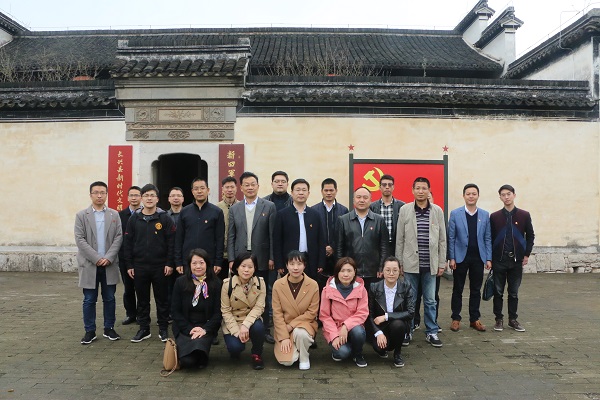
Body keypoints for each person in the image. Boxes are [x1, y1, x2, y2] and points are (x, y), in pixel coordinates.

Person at [396, 177, 446, 347]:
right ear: (413, 190)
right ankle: (408, 330)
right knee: (410, 299)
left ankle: (431, 331)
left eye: (424, 188)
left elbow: (442, 240)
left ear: (429, 190)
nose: (420, 191)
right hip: (410, 264)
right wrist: (399, 263)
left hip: (430, 264)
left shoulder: (437, 211)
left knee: (430, 300)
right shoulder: (405, 210)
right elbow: (400, 239)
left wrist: (441, 263)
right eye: (417, 188)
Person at [227, 172, 277, 344]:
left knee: (264, 292)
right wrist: (231, 258)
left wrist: (272, 257)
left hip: (262, 257)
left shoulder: (268, 206)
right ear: (241, 188)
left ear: (258, 186)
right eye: (246, 185)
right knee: (239, 293)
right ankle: (239, 326)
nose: (250, 187)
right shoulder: (235, 208)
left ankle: (265, 329)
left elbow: (272, 234)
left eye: (253, 184)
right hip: (241, 258)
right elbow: (231, 236)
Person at [124, 184, 176, 343]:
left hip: (160, 266)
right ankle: (144, 328)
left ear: (157, 199)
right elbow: (128, 243)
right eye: (146, 195)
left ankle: (163, 328)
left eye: (152, 195)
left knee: (162, 299)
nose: (149, 198)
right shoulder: (134, 219)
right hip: (139, 266)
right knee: (142, 299)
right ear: (141, 198)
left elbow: (171, 243)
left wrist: (169, 263)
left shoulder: (164, 218)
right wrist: (129, 265)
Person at [75, 181, 123, 344]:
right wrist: (96, 258)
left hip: (109, 264)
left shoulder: (114, 215)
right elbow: (80, 239)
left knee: (109, 298)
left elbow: (118, 237)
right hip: (90, 264)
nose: (99, 195)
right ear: (90, 195)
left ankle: (109, 328)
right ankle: (90, 331)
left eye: (102, 192)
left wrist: (108, 257)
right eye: (96, 192)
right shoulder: (82, 215)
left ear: (107, 194)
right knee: (89, 299)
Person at [447, 183, 492, 332]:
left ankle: (474, 319)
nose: (471, 196)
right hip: (460, 258)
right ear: (463, 196)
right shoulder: (455, 214)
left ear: (478, 196)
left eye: (474, 194)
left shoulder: (484, 215)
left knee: (476, 290)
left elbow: (487, 238)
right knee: (457, 289)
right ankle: (456, 318)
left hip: (478, 257)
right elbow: (451, 237)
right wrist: (452, 257)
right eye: (468, 194)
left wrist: (488, 258)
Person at [490, 184, 535, 332]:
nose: (506, 197)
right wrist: (490, 258)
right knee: (498, 292)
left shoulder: (524, 215)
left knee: (514, 292)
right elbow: (490, 238)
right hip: (499, 260)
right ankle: (498, 319)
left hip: (516, 261)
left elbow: (530, 236)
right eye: (503, 195)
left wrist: (526, 254)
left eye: (508, 194)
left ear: (514, 195)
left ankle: (513, 319)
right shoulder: (495, 217)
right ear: (500, 197)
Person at [171, 248, 222, 369]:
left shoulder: (216, 283)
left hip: (205, 328)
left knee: (199, 358)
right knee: (187, 361)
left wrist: (204, 329)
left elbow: (218, 313)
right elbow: (175, 312)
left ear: (207, 264)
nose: (198, 266)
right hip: (185, 328)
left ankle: (202, 353)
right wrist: (190, 329)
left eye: (201, 263)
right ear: (189, 265)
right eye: (194, 263)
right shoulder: (180, 282)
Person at [272, 251, 320, 370]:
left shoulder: (313, 285)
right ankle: (295, 348)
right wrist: (284, 337)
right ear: (286, 265)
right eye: (292, 264)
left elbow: (312, 312)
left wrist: (292, 325)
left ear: (304, 265)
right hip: (284, 328)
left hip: (305, 325)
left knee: (300, 332)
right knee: (287, 362)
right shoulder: (278, 285)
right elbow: (277, 313)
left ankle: (304, 356)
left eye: (299, 264)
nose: (295, 267)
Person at [319, 257, 369, 367]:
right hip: (335, 328)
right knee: (343, 353)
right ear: (337, 272)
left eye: (349, 271)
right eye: (342, 271)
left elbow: (362, 313)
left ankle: (358, 354)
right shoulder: (327, 290)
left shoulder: (361, 289)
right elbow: (325, 316)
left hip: (354, 327)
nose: (346, 274)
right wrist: (334, 336)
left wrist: (346, 326)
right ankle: (343, 348)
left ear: (354, 272)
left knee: (358, 332)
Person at [220, 252, 266, 370]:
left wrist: (246, 325)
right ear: (237, 267)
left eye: (250, 267)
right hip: (234, 321)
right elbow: (225, 311)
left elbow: (259, 307)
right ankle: (235, 350)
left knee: (259, 328)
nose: (246, 270)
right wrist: (237, 332)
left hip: (251, 320)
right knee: (235, 348)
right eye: (243, 266)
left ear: (255, 268)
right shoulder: (227, 285)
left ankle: (256, 354)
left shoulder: (260, 283)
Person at [273, 178, 326, 280]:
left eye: (304, 190)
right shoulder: (282, 214)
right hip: (290, 261)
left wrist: (321, 263)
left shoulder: (315, 214)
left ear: (308, 193)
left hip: (310, 261)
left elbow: (321, 240)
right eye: (298, 190)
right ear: (292, 193)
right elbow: (277, 241)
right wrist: (279, 264)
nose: (301, 193)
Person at [336, 187, 388, 289]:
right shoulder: (343, 220)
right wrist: (341, 268)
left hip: (374, 272)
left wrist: (381, 267)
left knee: (372, 298)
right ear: (354, 200)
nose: (362, 200)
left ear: (370, 200)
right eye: (358, 197)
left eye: (365, 197)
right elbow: (339, 248)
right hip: (351, 272)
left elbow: (384, 246)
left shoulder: (379, 220)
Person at [367, 257, 414, 368]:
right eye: (388, 270)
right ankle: (384, 346)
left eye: (395, 270)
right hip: (380, 326)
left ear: (400, 271)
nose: (391, 273)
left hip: (397, 324)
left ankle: (397, 353)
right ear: (382, 271)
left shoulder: (406, 286)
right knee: (380, 348)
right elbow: (369, 314)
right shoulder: (374, 287)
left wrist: (386, 316)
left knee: (398, 324)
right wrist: (378, 333)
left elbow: (411, 312)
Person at [175, 177, 225, 278]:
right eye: (196, 189)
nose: (199, 191)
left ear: (208, 190)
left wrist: (218, 261)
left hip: (209, 261)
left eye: (202, 188)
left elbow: (220, 239)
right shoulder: (184, 212)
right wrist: (178, 261)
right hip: (188, 261)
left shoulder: (217, 212)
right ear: (192, 192)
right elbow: (179, 238)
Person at [311, 178, 349, 284]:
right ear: (321, 191)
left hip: (338, 254)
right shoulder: (314, 210)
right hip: (319, 254)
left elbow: (345, 233)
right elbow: (313, 233)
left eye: (331, 190)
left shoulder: (344, 210)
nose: (328, 193)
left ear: (336, 191)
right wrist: (324, 247)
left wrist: (333, 247)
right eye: (326, 190)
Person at [118, 185, 141, 326]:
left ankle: (142, 315)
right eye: (131, 195)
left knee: (141, 289)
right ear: (127, 198)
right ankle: (130, 314)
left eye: (137, 195)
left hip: (142, 258)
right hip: (125, 258)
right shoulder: (120, 216)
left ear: (141, 197)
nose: (134, 198)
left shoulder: (146, 214)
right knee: (128, 288)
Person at [369, 174, 405, 256]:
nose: (387, 187)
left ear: (393, 187)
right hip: (377, 246)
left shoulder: (402, 206)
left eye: (390, 185)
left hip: (395, 246)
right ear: (380, 187)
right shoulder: (372, 207)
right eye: (384, 185)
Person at [217, 176, 239, 279]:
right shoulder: (216, 208)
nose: (229, 190)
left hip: (237, 252)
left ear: (237, 188)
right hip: (221, 253)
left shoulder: (241, 206)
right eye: (227, 187)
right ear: (222, 189)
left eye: (232, 187)